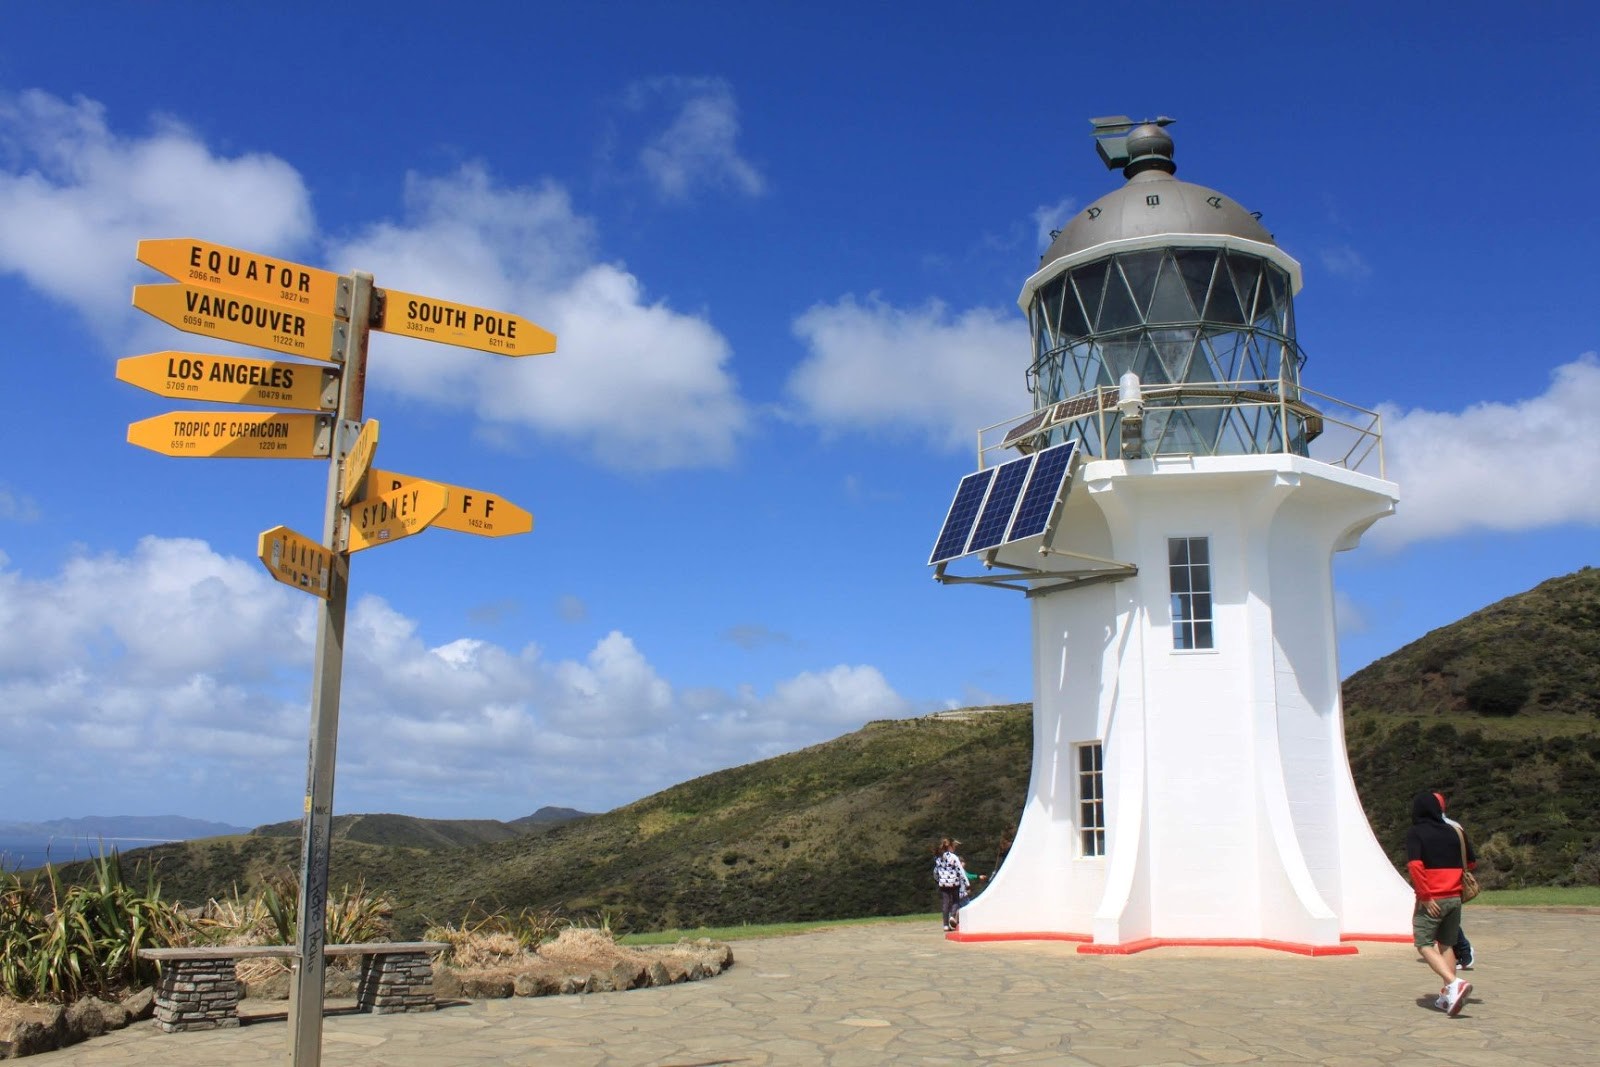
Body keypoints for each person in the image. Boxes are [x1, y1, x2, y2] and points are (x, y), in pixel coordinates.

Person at [1405, 790, 1476, 1016]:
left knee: (1424, 943)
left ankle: (1454, 982)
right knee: (1446, 944)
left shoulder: (1416, 833)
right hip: (1455, 897)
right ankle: (1449, 995)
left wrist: (1425, 895)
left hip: (1433, 898)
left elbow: (1415, 866)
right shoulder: (1454, 832)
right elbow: (1471, 863)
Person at [1434, 792, 1475, 971]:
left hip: (1443, 880)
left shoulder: (1435, 828)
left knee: (1443, 917)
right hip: (1455, 879)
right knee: (1448, 917)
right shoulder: (1455, 826)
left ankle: (1464, 951)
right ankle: (1462, 952)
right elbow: (1469, 857)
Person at [934, 837, 968, 932]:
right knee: (955, 901)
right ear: (950, 847)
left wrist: (938, 880)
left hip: (943, 883)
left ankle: (945, 925)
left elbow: (936, 871)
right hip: (954, 882)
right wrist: (966, 883)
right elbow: (960, 870)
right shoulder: (953, 857)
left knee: (945, 903)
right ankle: (952, 916)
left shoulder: (938, 858)